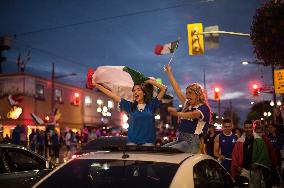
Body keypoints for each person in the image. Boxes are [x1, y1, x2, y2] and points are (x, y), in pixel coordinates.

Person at [91, 78, 167, 145]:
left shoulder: (151, 106)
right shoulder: (130, 107)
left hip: (148, 143)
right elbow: (113, 96)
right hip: (132, 143)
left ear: (144, 93)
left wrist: (149, 81)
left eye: (138, 90)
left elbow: (164, 89)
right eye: (134, 90)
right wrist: (97, 86)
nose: (135, 92)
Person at [163, 64, 211, 153]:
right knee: (161, 150)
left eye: (190, 93)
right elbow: (177, 89)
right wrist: (169, 73)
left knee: (167, 152)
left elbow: (194, 114)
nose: (187, 96)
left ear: (197, 95)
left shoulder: (204, 108)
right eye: (186, 93)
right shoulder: (187, 105)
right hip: (181, 139)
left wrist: (177, 113)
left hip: (193, 142)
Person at [231, 120, 271, 188]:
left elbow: (263, 154)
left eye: (250, 127)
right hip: (244, 170)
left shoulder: (259, 140)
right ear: (244, 128)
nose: (248, 129)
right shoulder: (240, 141)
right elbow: (235, 155)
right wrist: (237, 166)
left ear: (252, 128)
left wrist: (257, 163)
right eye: (246, 128)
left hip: (256, 171)